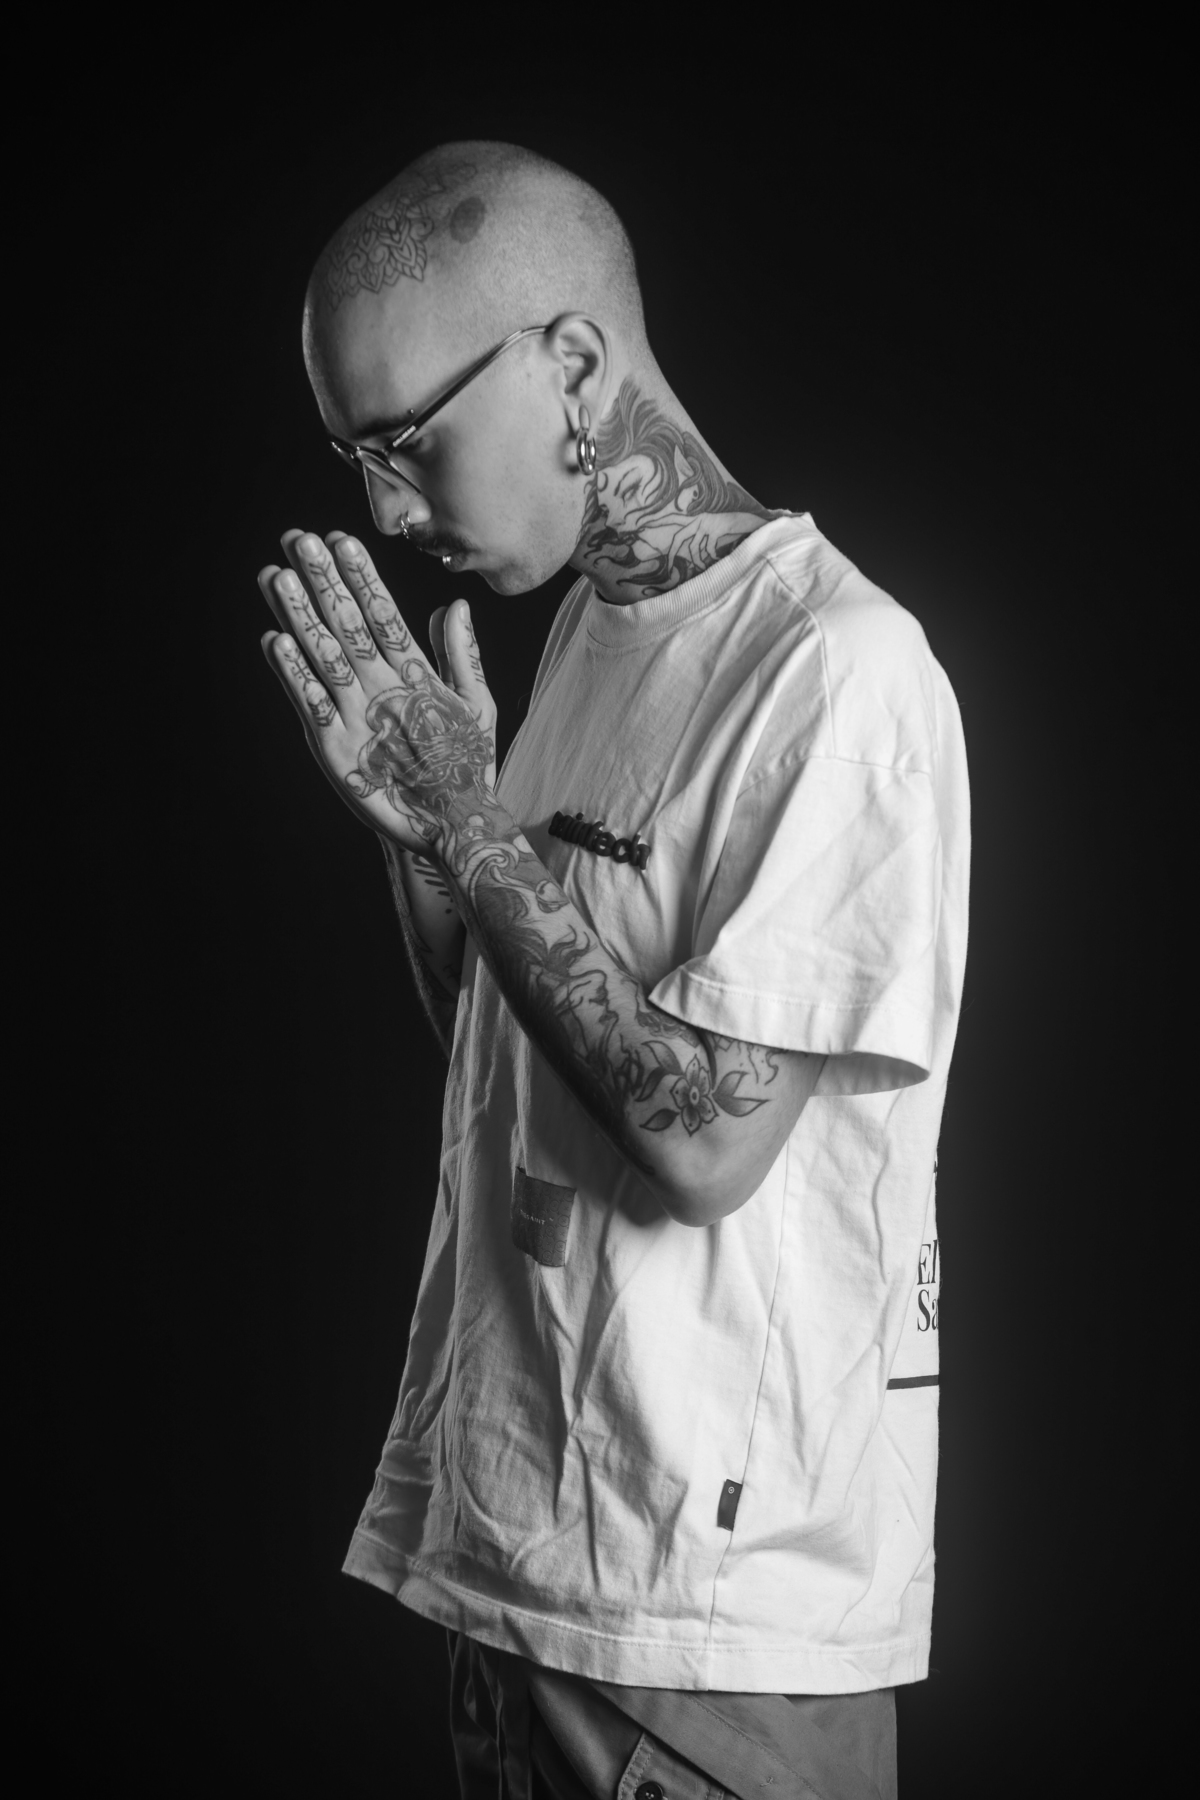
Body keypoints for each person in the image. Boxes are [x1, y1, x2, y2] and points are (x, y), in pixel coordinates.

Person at [258, 140, 969, 1800]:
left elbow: (705, 1139)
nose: (387, 510)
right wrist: (427, 848)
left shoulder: (838, 674)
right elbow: (512, 1069)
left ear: (573, 362)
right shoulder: (589, 632)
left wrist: (473, 823)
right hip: (519, 1582)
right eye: (356, 460)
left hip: (708, 1649)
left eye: (408, 443)